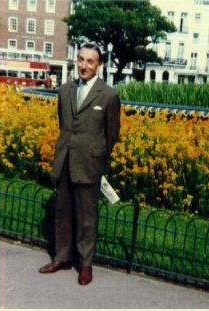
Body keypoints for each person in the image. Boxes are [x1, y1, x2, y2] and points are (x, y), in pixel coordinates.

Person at [39, 43, 121, 286]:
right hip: (65, 159)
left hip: (89, 163)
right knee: (62, 211)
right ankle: (62, 257)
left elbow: (112, 134)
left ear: (99, 65)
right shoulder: (65, 90)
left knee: (87, 216)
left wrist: (98, 160)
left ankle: (85, 265)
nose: (84, 66)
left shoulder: (108, 95)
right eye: (81, 60)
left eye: (90, 62)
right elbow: (63, 123)